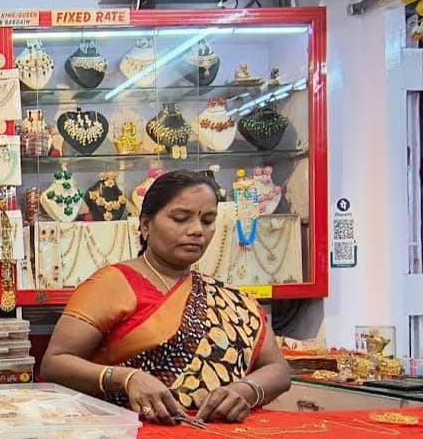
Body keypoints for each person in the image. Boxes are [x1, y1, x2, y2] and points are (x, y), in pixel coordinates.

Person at [40, 168, 290, 424]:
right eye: (180, 218)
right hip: (131, 435)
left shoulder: (230, 299)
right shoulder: (112, 284)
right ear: (146, 225)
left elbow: (279, 369)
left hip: (218, 437)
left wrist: (245, 390)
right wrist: (127, 378)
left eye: (207, 220)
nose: (197, 230)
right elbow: (54, 364)